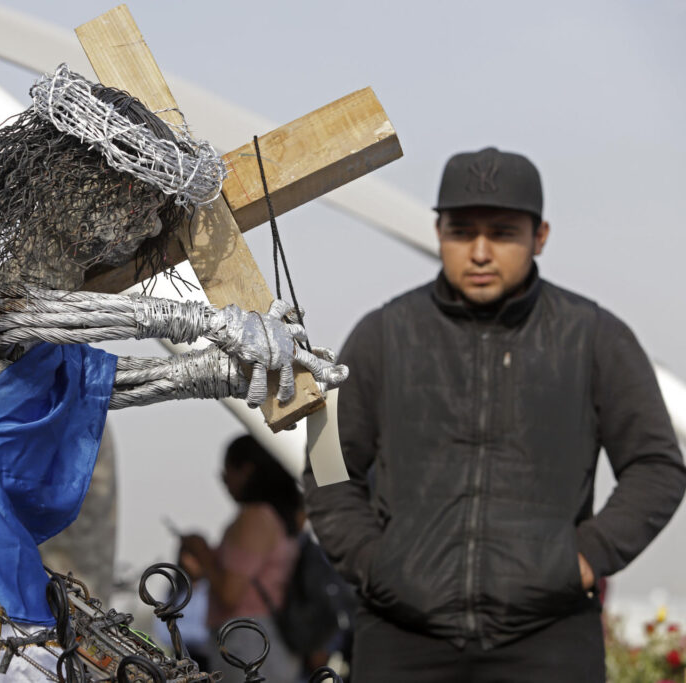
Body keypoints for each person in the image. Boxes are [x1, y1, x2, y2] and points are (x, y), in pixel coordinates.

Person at [302, 146, 686, 682]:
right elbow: (326, 465)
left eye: (503, 233)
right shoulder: (380, 335)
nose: (480, 252)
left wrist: (583, 558)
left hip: (547, 637)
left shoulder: (596, 338)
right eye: (462, 232)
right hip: (402, 636)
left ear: (541, 236)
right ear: (439, 232)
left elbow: (658, 466)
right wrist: (375, 565)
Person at [179, 435, 302, 682]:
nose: (224, 482)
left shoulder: (255, 518)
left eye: (226, 472)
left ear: (246, 470)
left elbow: (230, 593)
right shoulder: (280, 517)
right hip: (262, 639)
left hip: (246, 641)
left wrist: (202, 551)